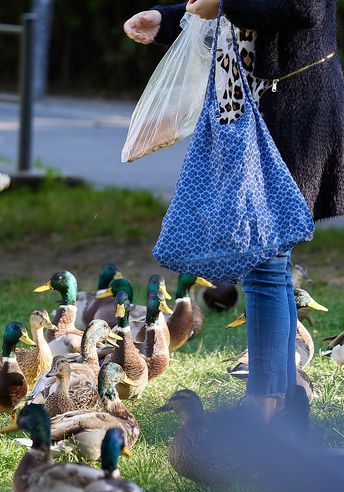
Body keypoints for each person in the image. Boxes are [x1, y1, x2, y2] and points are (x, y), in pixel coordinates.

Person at [124, 0, 344, 419]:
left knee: (264, 263)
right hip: (254, 111)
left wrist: (223, 5)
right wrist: (170, 19)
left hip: (292, 110)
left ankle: (263, 406)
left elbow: (304, 10)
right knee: (271, 264)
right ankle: (280, 400)